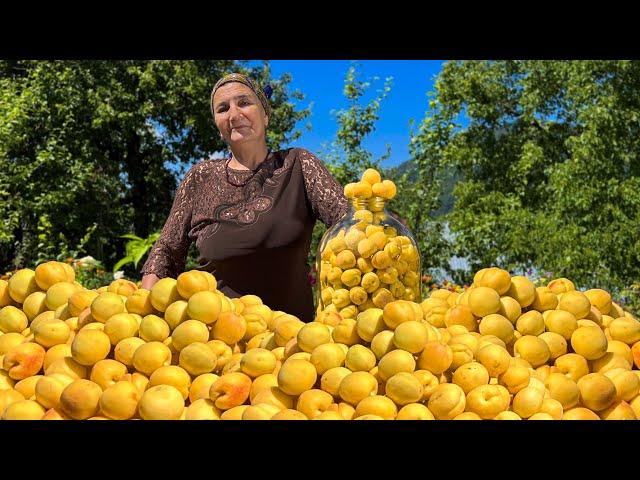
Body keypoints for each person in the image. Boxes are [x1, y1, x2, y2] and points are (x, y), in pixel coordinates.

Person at [140, 72, 348, 322]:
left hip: (293, 343)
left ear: (265, 115)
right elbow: (166, 252)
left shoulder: (298, 165)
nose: (234, 114)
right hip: (216, 342)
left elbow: (348, 224)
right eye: (223, 108)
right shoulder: (200, 178)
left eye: (245, 103)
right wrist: (141, 317)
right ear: (218, 126)